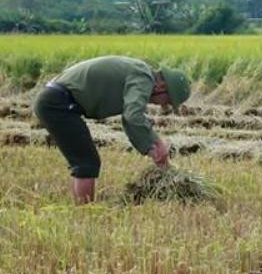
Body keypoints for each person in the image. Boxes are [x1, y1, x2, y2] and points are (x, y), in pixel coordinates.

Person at [33, 56, 191, 203]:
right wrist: (156, 142)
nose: (163, 105)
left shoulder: (140, 72)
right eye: (168, 100)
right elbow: (133, 116)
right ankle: (85, 214)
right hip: (58, 103)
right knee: (87, 163)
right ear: (162, 86)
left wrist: (150, 148)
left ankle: (82, 209)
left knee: (84, 161)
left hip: (56, 100)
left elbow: (129, 120)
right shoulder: (144, 78)